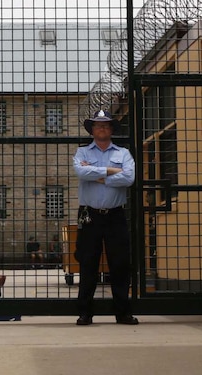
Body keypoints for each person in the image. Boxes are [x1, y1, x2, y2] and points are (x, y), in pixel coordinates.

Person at [73, 110, 138, 326]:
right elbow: (81, 173)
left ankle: (123, 312)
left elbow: (129, 178)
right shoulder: (81, 152)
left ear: (112, 129)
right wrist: (111, 171)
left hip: (115, 215)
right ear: (91, 129)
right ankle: (85, 312)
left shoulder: (124, 153)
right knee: (88, 264)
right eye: (98, 125)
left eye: (106, 125)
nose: (102, 129)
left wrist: (98, 175)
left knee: (119, 264)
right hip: (89, 215)